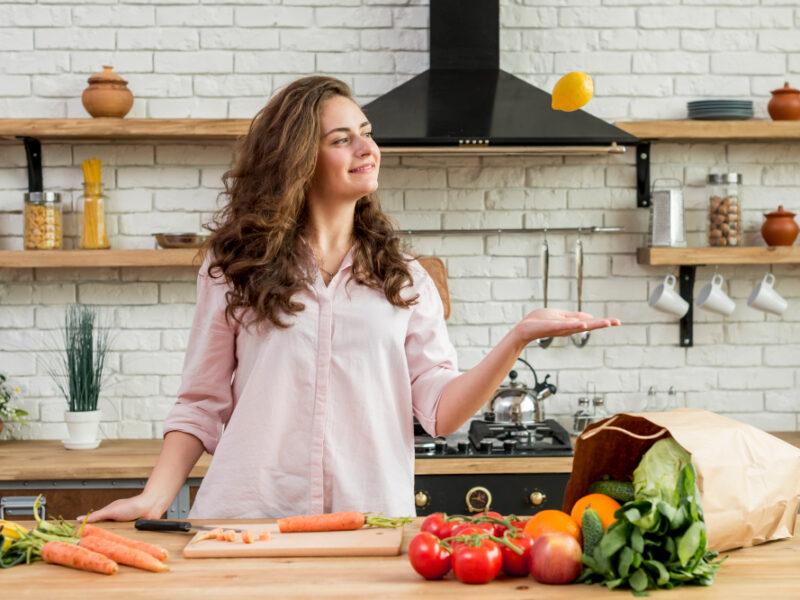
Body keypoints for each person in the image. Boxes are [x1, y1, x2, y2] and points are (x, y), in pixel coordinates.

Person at [83, 76, 619, 522]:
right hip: (249, 522)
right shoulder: (234, 268)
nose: (368, 148)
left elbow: (440, 412)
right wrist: (155, 497)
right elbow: (201, 404)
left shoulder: (404, 279)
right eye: (342, 139)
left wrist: (517, 337)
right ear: (298, 159)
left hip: (369, 525)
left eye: (366, 133)